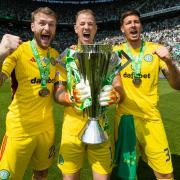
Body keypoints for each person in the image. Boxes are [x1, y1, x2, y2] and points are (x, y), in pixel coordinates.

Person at [54, 9, 124, 180]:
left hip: (101, 127)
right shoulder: (66, 56)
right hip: (72, 129)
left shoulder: (108, 55)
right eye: (82, 24)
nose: (86, 27)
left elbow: (119, 86)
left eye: (90, 24)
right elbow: (58, 92)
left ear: (96, 28)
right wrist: (69, 98)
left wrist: (116, 95)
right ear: (76, 28)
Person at [113, 9, 180, 180]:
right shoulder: (115, 52)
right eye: (128, 23)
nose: (133, 25)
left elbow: (177, 85)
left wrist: (170, 62)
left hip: (151, 119)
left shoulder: (156, 50)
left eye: (136, 22)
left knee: (165, 174)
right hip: (125, 120)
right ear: (122, 28)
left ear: (141, 26)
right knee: (128, 174)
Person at [0, 7, 61, 180]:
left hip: (46, 129)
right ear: (32, 26)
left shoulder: (56, 56)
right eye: (42, 23)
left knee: (41, 173)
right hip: (20, 129)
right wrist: (1, 53)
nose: (47, 28)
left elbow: (58, 91)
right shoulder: (18, 51)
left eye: (51, 25)